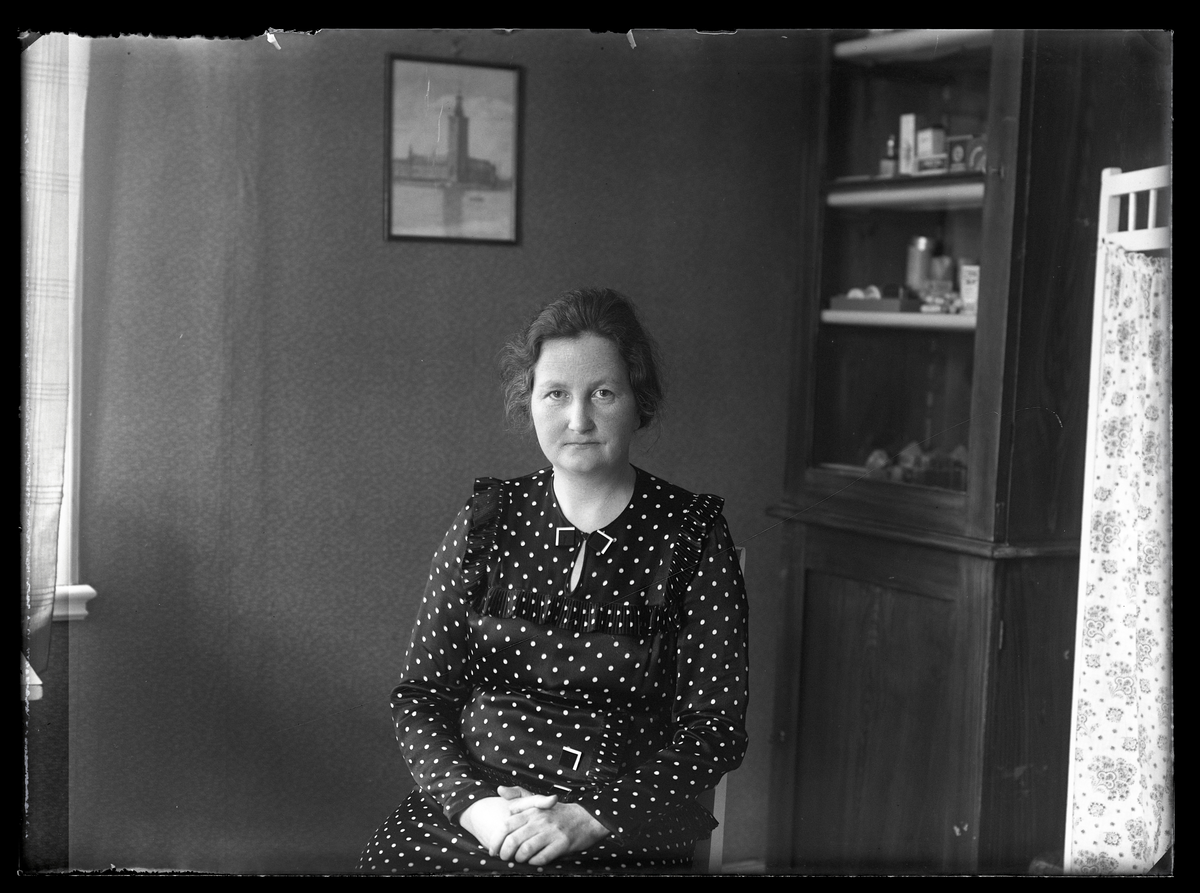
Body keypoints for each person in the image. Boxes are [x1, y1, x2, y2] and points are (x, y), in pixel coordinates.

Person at [358, 288, 749, 874]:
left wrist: (588, 816)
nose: (579, 420)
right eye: (557, 394)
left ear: (637, 401)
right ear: (530, 401)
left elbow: (714, 728)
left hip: (618, 820)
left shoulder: (691, 534)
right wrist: (478, 809)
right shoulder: (487, 522)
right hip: (479, 805)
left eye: (603, 393)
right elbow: (422, 696)